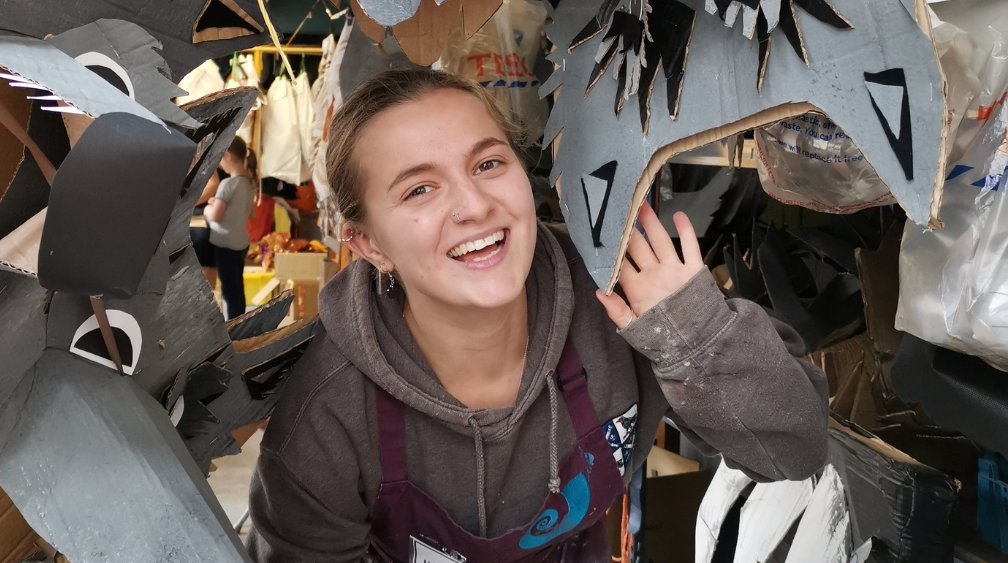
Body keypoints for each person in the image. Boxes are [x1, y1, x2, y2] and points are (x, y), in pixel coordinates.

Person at [246, 69, 830, 563]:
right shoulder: (326, 416)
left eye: (488, 164)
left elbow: (793, 449)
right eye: (420, 190)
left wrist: (694, 333)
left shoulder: (619, 294)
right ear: (368, 244)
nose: (475, 207)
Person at [197, 137, 257, 319]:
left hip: (226, 244)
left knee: (228, 291)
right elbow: (250, 214)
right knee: (237, 286)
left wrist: (208, 208)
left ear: (228, 156)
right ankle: (241, 320)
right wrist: (219, 202)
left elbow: (215, 216)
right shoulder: (249, 183)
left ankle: (233, 327)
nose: (220, 165)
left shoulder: (227, 184)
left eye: (220, 159)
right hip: (241, 243)